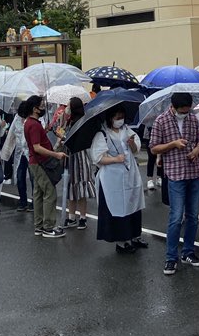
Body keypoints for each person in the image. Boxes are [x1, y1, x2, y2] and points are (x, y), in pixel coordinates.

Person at [150, 92, 199, 275]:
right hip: (175, 174)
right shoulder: (161, 120)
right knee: (175, 218)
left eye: (188, 110)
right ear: (173, 107)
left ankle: (188, 252)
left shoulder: (193, 119)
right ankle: (171, 257)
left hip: (194, 172)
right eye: (182, 110)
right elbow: (153, 148)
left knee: (193, 216)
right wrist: (173, 144)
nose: (185, 113)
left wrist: (196, 150)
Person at [92, 105, 147, 254]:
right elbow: (97, 158)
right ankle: (122, 242)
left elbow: (135, 150)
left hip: (130, 174)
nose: (120, 120)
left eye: (122, 117)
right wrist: (115, 159)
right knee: (118, 209)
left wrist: (132, 144)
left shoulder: (127, 130)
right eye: (117, 117)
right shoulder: (102, 134)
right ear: (110, 118)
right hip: (112, 179)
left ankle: (135, 235)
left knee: (133, 205)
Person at [23, 95, 67, 238]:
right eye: (41, 105)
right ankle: (48, 228)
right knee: (49, 193)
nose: (43, 108)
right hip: (40, 162)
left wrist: (46, 130)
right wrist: (55, 155)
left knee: (39, 193)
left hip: (35, 162)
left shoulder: (30, 123)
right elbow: (37, 147)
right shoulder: (34, 125)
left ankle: (39, 226)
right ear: (35, 109)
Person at [61, 98, 95, 230]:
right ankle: (76, 218)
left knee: (78, 187)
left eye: (68, 105)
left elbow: (73, 140)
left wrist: (64, 138)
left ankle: (78, 218)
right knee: (75, 188)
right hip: (77, 157)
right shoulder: (77, 120)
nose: (66, 107)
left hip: (77, 156)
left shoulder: (79, 122)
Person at [1, 98, 32, 211]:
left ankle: (35, 201)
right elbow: (11, 136)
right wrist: (6, 154)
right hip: (21, 153)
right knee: (20, 177)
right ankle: (22, 201)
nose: (22, 118)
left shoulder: (34, 120)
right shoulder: (17, 118)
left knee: (34, 179)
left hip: (32, 153)